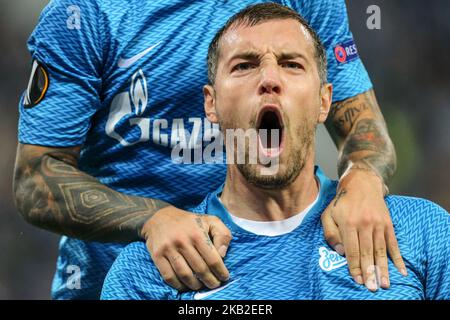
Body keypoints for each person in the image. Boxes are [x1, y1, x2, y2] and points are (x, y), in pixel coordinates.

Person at [13, 0, 404, 299]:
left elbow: (364, 130)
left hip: (265, 276)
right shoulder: (87, 14)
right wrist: (154, 219)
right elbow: (35, 178)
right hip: (124, 278)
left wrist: (363, 179)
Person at [101, 3, 450, 300]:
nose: (269, 79)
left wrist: (363, 177)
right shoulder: (148, 273)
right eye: (245, 66)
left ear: (324, 100)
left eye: (291, 64)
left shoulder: (423, 231)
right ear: (212, 104)